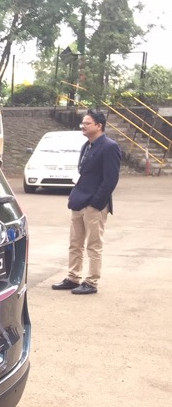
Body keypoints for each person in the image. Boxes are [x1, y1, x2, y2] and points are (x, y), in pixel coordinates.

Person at [52, 109, 121, 295]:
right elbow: (84, 174)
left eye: (87, 123)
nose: (83, 125)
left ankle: (91, 282)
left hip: (94, 205)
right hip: (78, 201)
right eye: (83, 122)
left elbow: (110, 180)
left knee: (93, 246)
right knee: (75, 243)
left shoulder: (109, 147)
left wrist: (96, 203)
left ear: (99, 126)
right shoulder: (86, 145)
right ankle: (73, 277)